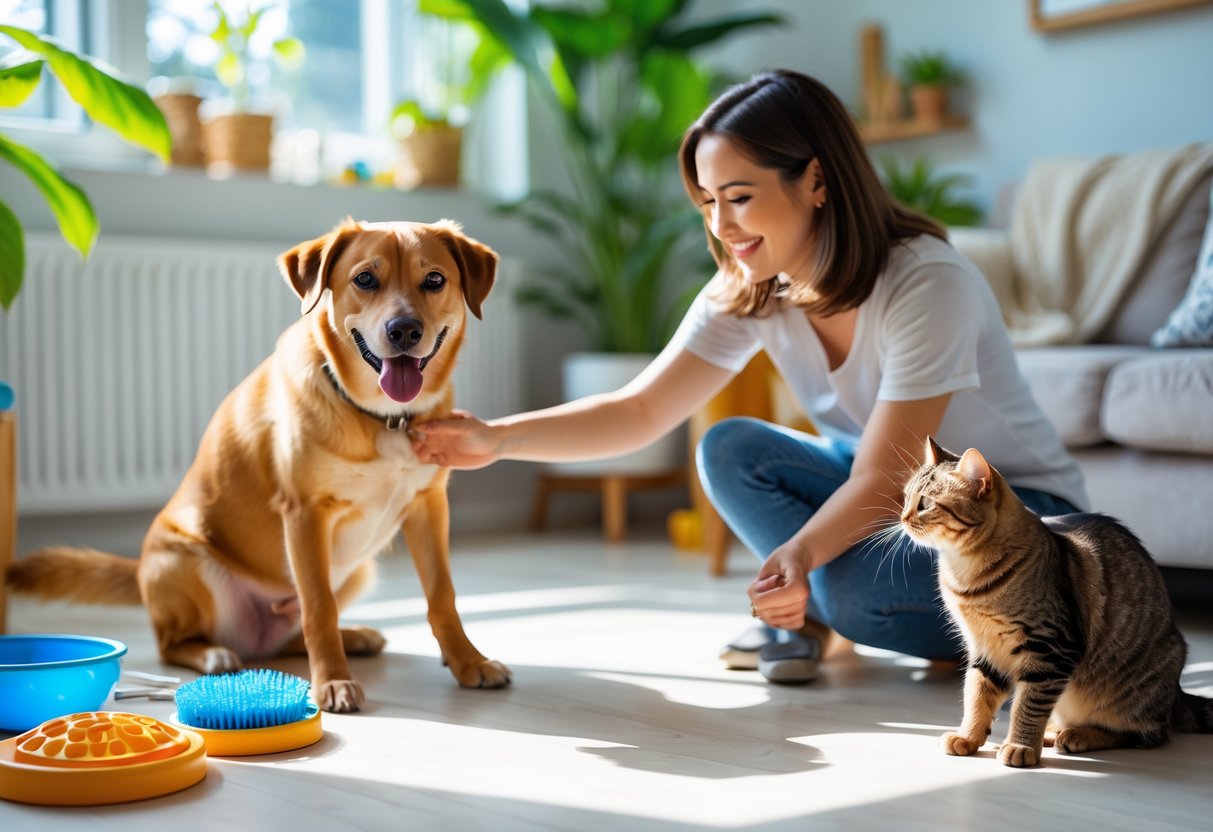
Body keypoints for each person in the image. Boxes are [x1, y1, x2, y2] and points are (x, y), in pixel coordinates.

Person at [411, 69, 1086, 684]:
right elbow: (640, 410)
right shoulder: (752, 286)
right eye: (706, 200)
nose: (719, 225)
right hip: (886, 492)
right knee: (729, 447)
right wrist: (497, 438)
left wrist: (799, 555)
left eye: (737, 196)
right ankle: (806, 608)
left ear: (816, 181)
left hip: (1022, 521)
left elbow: (885, 478)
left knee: (857, 596)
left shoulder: (925, 282)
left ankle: (818, 612)